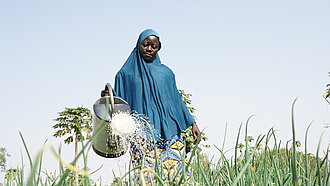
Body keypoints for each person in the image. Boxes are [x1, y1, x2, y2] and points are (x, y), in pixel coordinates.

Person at [102, 29, 200, 181]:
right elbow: (120, 103)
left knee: (176, 177)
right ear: (138, 45)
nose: (149, 49)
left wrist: (192, 122)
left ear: (158, 48)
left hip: (170, 134)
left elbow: (176, 98)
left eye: (153, 46)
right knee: (146, 179)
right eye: (145, 45)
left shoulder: (166, 73)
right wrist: (108, 97)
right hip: (142, 136)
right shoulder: (124, 74)